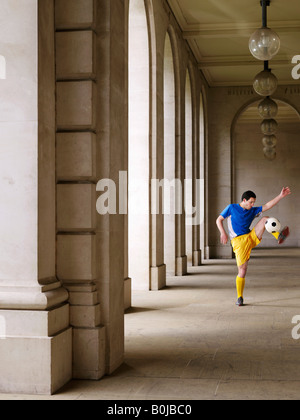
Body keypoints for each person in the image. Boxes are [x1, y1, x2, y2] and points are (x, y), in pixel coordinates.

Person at [216, 187, 291, 307]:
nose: (252, 204)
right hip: (238, 242)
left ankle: (278, 236)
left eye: (253, 202)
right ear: (244, 200)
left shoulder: (253, 210)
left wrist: (280, 196)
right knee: (242, 271)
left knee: (266, 219)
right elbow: (218, 220)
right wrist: (223, 233)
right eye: (251, 202)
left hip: (250, 236)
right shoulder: (232, 208)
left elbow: (267, 206)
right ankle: (239, 297)